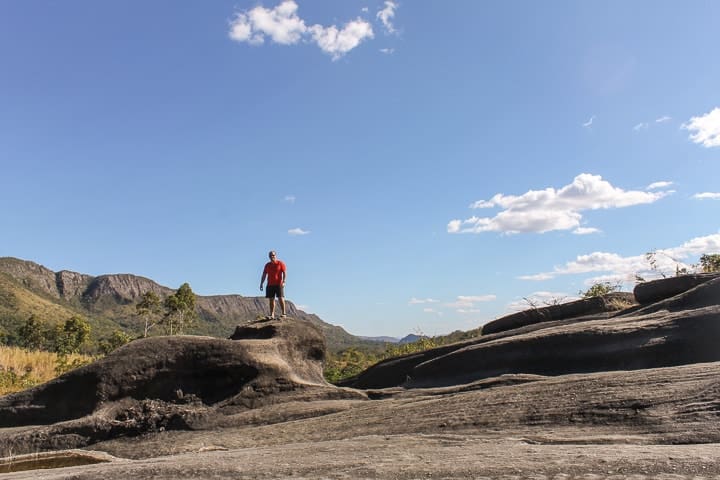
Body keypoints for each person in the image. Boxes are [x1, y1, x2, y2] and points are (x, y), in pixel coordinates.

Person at [260, 250, 286, 319]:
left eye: (273, 255)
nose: (272, 257)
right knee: (271, 299)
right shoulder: (267, 265)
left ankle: (284, 313)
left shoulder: (280, 263)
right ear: (269, 257)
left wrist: (284, 281)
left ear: (275, 256)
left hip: (279, 284)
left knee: (280, 298)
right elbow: (264, 274)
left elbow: (284, 273)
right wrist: (261, 283)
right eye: (271, 255)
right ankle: (272, 314)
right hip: (270, 284)